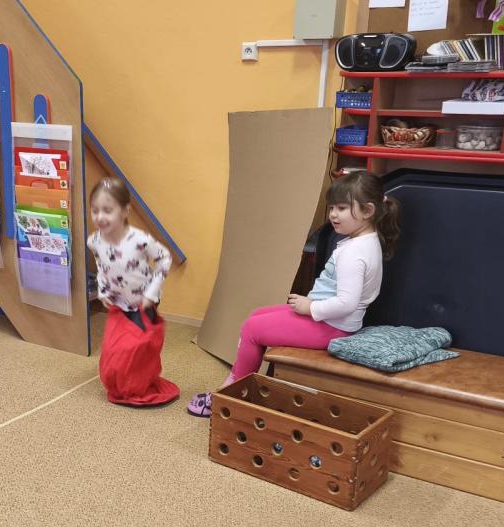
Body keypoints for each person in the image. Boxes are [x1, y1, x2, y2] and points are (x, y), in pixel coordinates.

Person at [188, 171, 399, 416]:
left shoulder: (354, 253)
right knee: (257, 315)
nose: (333, 214)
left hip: (333, 326)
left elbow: (347, 303)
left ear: (368, 211)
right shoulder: (365, 240)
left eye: (342, 208)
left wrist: (310, 307)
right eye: (332, 207)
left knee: (251, 329)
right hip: (331, 319)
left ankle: (230, 395)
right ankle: (247, 383)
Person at [87, 178, 180, 406]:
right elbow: (101, 266)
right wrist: (103, 291)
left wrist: (151, 293)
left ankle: (140, 384)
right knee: (115, 347)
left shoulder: (140, 240)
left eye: (107, 210)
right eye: (95, 210)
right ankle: (122, 384)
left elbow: (165, 259)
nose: (100, 217)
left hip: (144, 303)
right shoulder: (94, 241)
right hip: (118, 303)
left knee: (138, 348)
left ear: (125, 211)